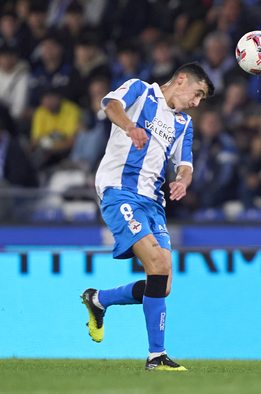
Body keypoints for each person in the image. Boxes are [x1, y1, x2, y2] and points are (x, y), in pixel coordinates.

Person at [81, 62, 214, 371]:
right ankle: (157, 356)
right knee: (158, 264)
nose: (196, 103)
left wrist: (182, 179)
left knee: (162, 284)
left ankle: (99, 299)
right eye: (197, 94)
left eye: (201, 99)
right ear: (181, 80)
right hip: (119, 191)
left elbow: (186, 164)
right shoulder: (141, 91)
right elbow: (110, 104)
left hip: (153, 202)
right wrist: (129, 126)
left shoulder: (184, 123)